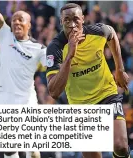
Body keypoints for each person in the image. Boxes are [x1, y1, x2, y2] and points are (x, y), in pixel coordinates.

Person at [46, 3, 130, 158]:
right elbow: (54, 91)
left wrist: (120, 69)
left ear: (83, 19)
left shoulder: (97, 32)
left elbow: (111, 34)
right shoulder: (55, 48)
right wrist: (70, 54)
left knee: (121, 147)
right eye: (67, 20)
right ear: (61, 22)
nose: (72, 24)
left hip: (106, 95)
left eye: (76, 19)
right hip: (80, 105)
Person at [0, 1, 46, 158]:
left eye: (20, 20)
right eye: (14, 19)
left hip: (27, 100)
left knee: (33, 152)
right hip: (4, 98)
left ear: (29, 25)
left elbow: (52, 69)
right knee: (9, 148)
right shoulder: (5, 35)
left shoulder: (39, 49)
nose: (16, 22)